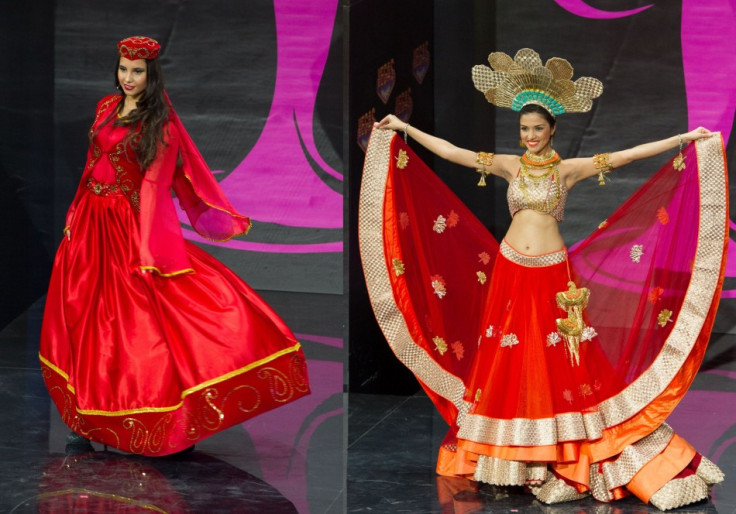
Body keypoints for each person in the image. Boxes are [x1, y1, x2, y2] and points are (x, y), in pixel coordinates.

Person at [359, 48, 727, 509]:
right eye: (524, 130)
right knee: (509, 360)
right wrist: (406, 129)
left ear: (552, 129)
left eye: (537, 129)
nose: (529, 137)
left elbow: (627, 156)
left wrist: (681, 139)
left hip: (553, 273)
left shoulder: (567, 169)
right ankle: (512, 459)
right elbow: (455, 154)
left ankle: (563, 451)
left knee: (559, 364)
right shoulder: (511, 165)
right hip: (511, 269)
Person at [40, 36, 310, 456]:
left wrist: (149, 253)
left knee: (133, 326)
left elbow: (153, 188)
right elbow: (91, 165)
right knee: (84, 319)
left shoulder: (160, 126)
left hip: (128, 230)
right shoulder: (105, 108)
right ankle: (83, 417)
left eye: (137, 71)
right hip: (90, 226)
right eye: (124, 69)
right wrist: (74, 214)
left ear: (151, 75)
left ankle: (169, 419)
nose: (128, 78)